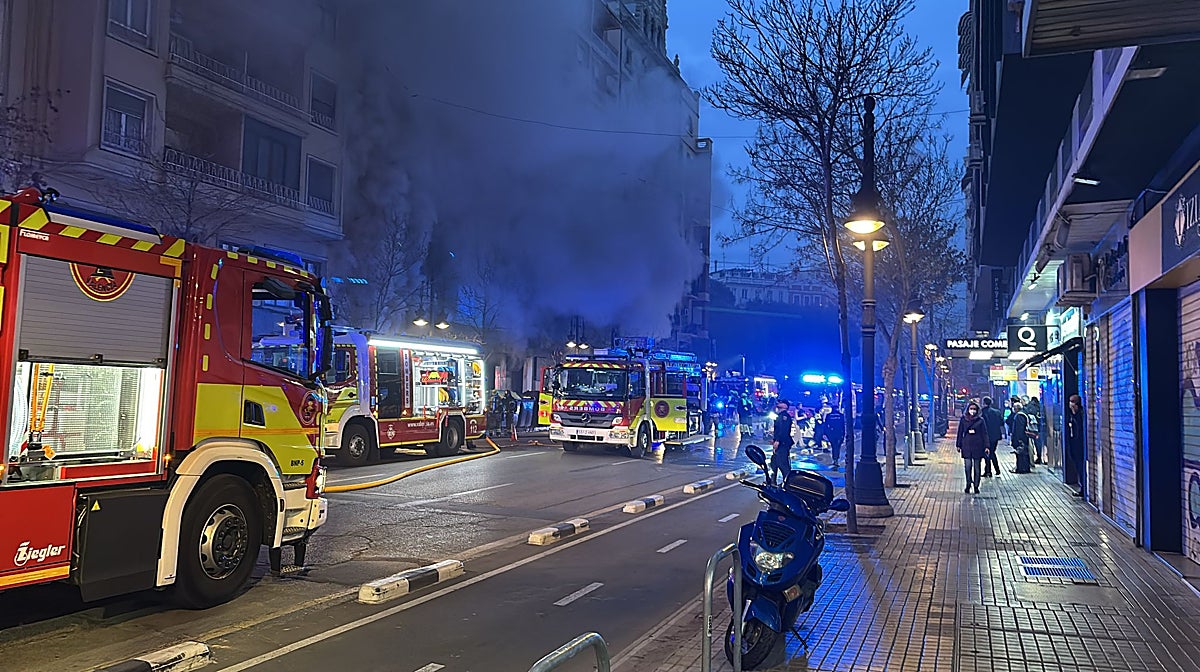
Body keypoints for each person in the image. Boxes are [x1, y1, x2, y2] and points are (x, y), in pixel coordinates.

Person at [956, 401, 990, 494]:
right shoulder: (963, 419)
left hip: (978, 446)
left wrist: (987, 446)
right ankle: (968, 483)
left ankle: (976, 485)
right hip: (966, 445)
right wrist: (958, 445)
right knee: (967, 467)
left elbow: (984, 433)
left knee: (977, 467)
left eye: (974, 409)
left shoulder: (980, 420)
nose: (972, 411)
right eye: (971, 409)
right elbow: (960, 432)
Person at [1066, 394, 1087, 498]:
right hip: (1073, 447)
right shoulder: (1071, 415)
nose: (1070, 404)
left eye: (1072, 401)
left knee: (1081, 468)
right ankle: (1082, 487)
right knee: (1078, 468)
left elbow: (1079, 431)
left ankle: (1084, 488)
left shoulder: (1080, 415)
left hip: (1079, 447)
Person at [770, 398, 795, 478]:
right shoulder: (780, 415)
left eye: (781, 403)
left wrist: (777, 441)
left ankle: (788, 481)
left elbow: (783, 430)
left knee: (783, 463)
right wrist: (774, 440)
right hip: (780, 442)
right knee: (774, 463)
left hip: (783, 443)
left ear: (785, 406)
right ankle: (772, 482)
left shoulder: (784, 416)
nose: (778, 403)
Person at [980, 396, 1004, 478]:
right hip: (996, 436)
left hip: (986, 436)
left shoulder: (983, 412)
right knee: (992, 452)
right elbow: (1001, 423)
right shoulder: (997, 412)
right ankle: (995, 470)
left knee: (987, 453)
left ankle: (989, 471)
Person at [824, 405, 846, 470]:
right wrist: (843, 434)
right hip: (839, 433)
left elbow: (826, 425)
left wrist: (826, 433)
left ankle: (835, 459)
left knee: (834, 446)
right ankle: (836, 459)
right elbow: (843, 426)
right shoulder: (841, 415)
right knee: (837, 447)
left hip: (832, 433)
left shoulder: (829, 415)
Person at [1027, 396, 1045, 463]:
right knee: (1040, 443)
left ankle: (1037, 457)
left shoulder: (1030, 406)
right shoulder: (1041, 406)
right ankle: (1041, 457)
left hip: (1033, 428)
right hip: (1041, 427)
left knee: (1033, 443)